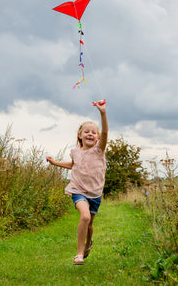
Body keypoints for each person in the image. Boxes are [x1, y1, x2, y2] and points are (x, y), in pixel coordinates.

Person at [46, 101, 108, 265]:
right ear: (79, 135)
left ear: (98, 137)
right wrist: (55, 163)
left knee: (90, 224)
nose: (90, 134)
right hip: (78, 190)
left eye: (94, 132)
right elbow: (73, 165)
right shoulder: (75, 152)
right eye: (86, 131)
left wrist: (103, 113)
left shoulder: (99, 150)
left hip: (95, 193)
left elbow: (106, 131)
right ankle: (79, 254)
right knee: (85, 217)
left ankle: (88, 244)